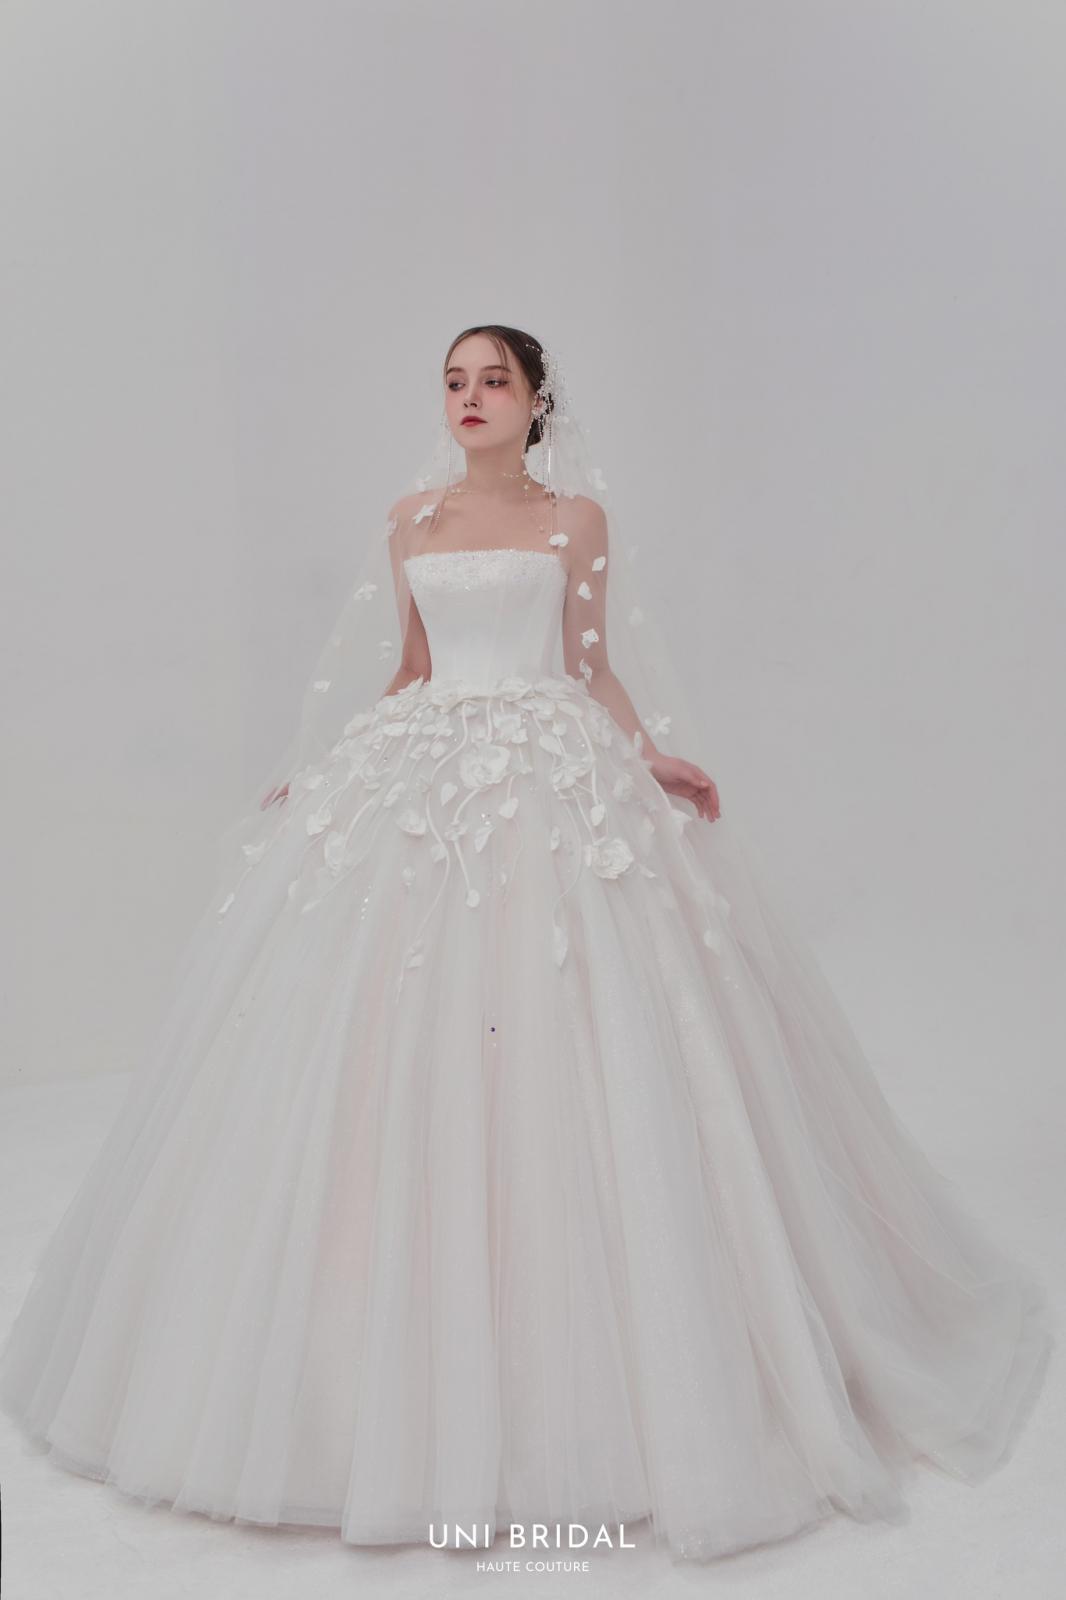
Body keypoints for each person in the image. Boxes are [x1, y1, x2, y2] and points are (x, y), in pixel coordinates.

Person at [0, 324, 1053, 1565]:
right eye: (453, 381)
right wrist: (329, 770)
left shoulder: (575, 521)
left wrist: (649, 756)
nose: (469, 397)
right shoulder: (410, 520)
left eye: (492, 380)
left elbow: (591, 667)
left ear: (536, 399)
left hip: (550, 776)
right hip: (421, 778)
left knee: (577, 1020)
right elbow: (409, 665)